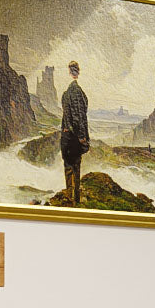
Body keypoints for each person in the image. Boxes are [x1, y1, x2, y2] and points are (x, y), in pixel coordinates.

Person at [60, 60, 89, 206]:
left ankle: (69, 198)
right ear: (78, 71)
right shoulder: (76, 91)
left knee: (68, 167)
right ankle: (75, 200)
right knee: (75, 167)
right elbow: (78, 117)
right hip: (74, 137)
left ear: (69, 71)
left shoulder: (67, 92)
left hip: (66, 136)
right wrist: (82, 137)